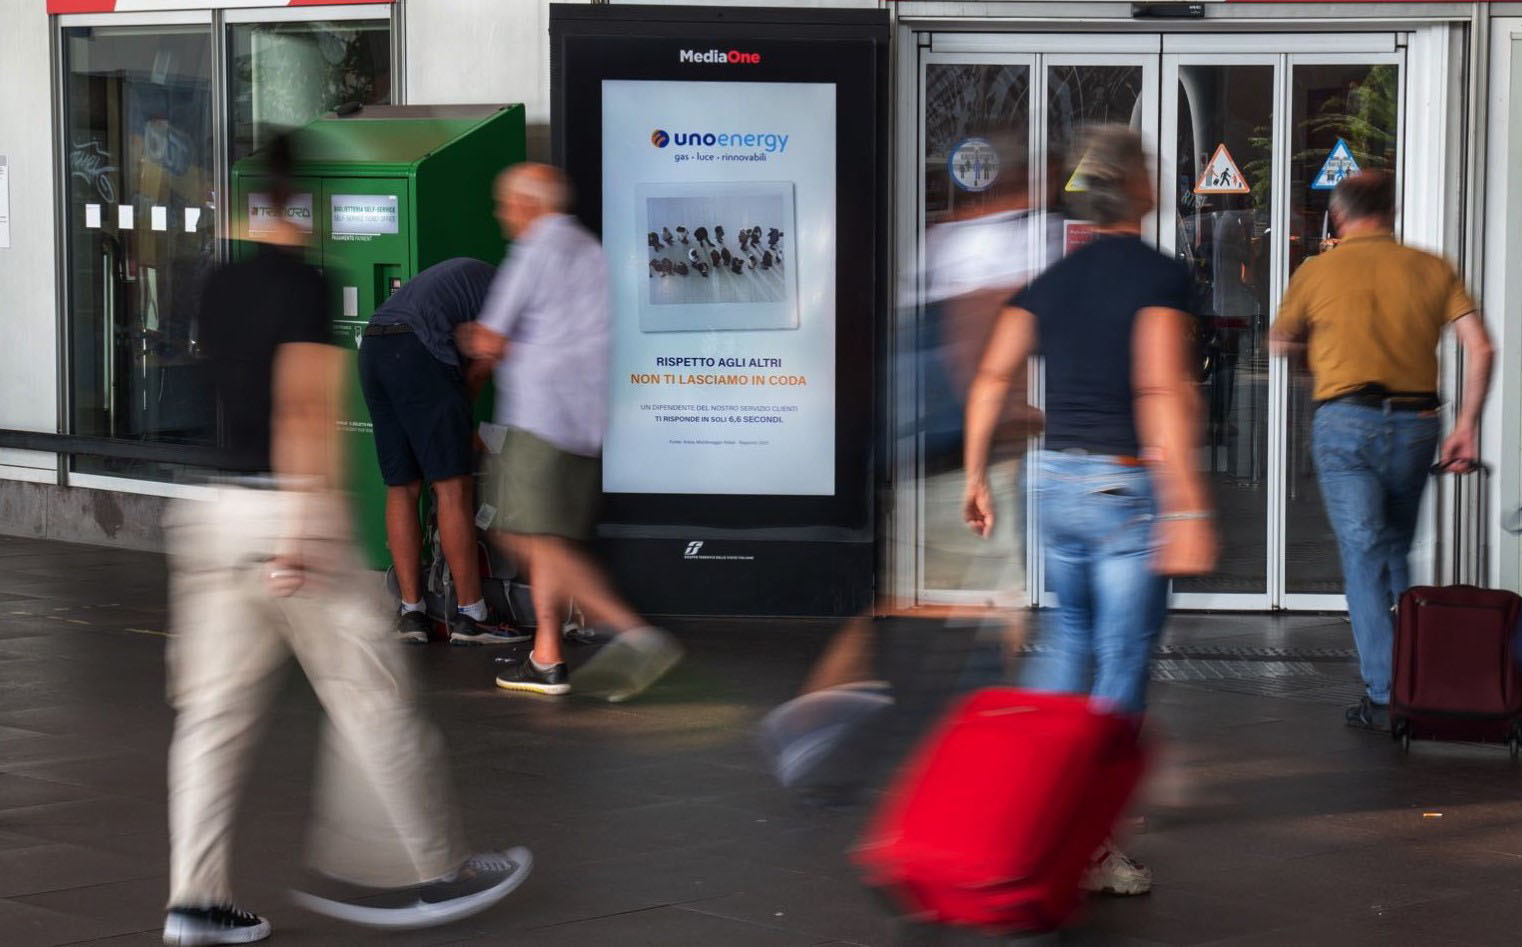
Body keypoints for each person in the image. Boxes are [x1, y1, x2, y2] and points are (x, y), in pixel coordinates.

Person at [162, 134, 529, 946]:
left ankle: (194, 901)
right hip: (286, 518)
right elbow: (301, 408)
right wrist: (300, 532)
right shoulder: (304, 283)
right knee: (371, 697)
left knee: (212, 721)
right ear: (303, 207)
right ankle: (428, 869)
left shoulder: (217, 283)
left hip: (213, 515)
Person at [962, 125, 1217, 897]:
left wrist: (977, 474)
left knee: (1068, 643)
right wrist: (1187, 506)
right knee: (1121, 661)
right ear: (1139, 189)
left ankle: (1027, 808)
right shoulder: (1159, 277)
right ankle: (1091, 836)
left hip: (1054, 482)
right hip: (1122, 489)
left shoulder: (1053, 281)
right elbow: (1161, 388)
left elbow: (990, 377)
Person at [1269, 169, 1494, 731]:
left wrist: (1314, 361)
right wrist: (1466, 425)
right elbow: (1481, 346)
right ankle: (1421, 676)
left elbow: (1279, 340)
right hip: (1419, 424)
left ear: (1339, 218)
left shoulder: (1318, 270)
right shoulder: (1431, 266)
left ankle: (1387, 693)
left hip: (1345, 421)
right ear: (1391, 214)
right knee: (1395, 547)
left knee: (1365, 555)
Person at [458, 163, 683, 701]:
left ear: (530, 205)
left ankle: (635, 634)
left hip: (538, 418)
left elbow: (490, 337)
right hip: (583, 422)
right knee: (549, 536)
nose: (501, 213)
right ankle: (547, 655)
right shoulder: (589, 249)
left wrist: (473, 339)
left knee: (519, 534)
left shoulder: (534, 251)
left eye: (506, 203)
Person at [357, 257, 524, 646]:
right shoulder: (508, 293)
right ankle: (472, 616)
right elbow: (482, 365)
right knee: (452, 487)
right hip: (417, 349)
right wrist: (457, 426)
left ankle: (411, 613)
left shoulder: (473, 278)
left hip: (375, 348)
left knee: (402, 486)